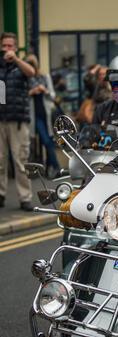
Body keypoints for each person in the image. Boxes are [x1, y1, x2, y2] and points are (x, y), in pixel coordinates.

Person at [0, 32, 35, 210]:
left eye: (9, 46)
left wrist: (16, 60)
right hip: (1, 120)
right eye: (4, 46)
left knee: (20, 161)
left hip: (19, 121)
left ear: (15, 48)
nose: (6, 49)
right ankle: (0, 194)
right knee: (0, 160)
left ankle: (25, 197)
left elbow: (31, 72)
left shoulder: (21, 66)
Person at [26, 54, 60, 179]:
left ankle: (54, 167)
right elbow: (21, 97)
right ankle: (51, 167)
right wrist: (32, 92)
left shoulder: (45, 77)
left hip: (45, 116)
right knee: (38, 142)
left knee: (47, 141)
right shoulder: (25, 79)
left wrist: (44, 90)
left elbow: (52, 96)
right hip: (32, 116)